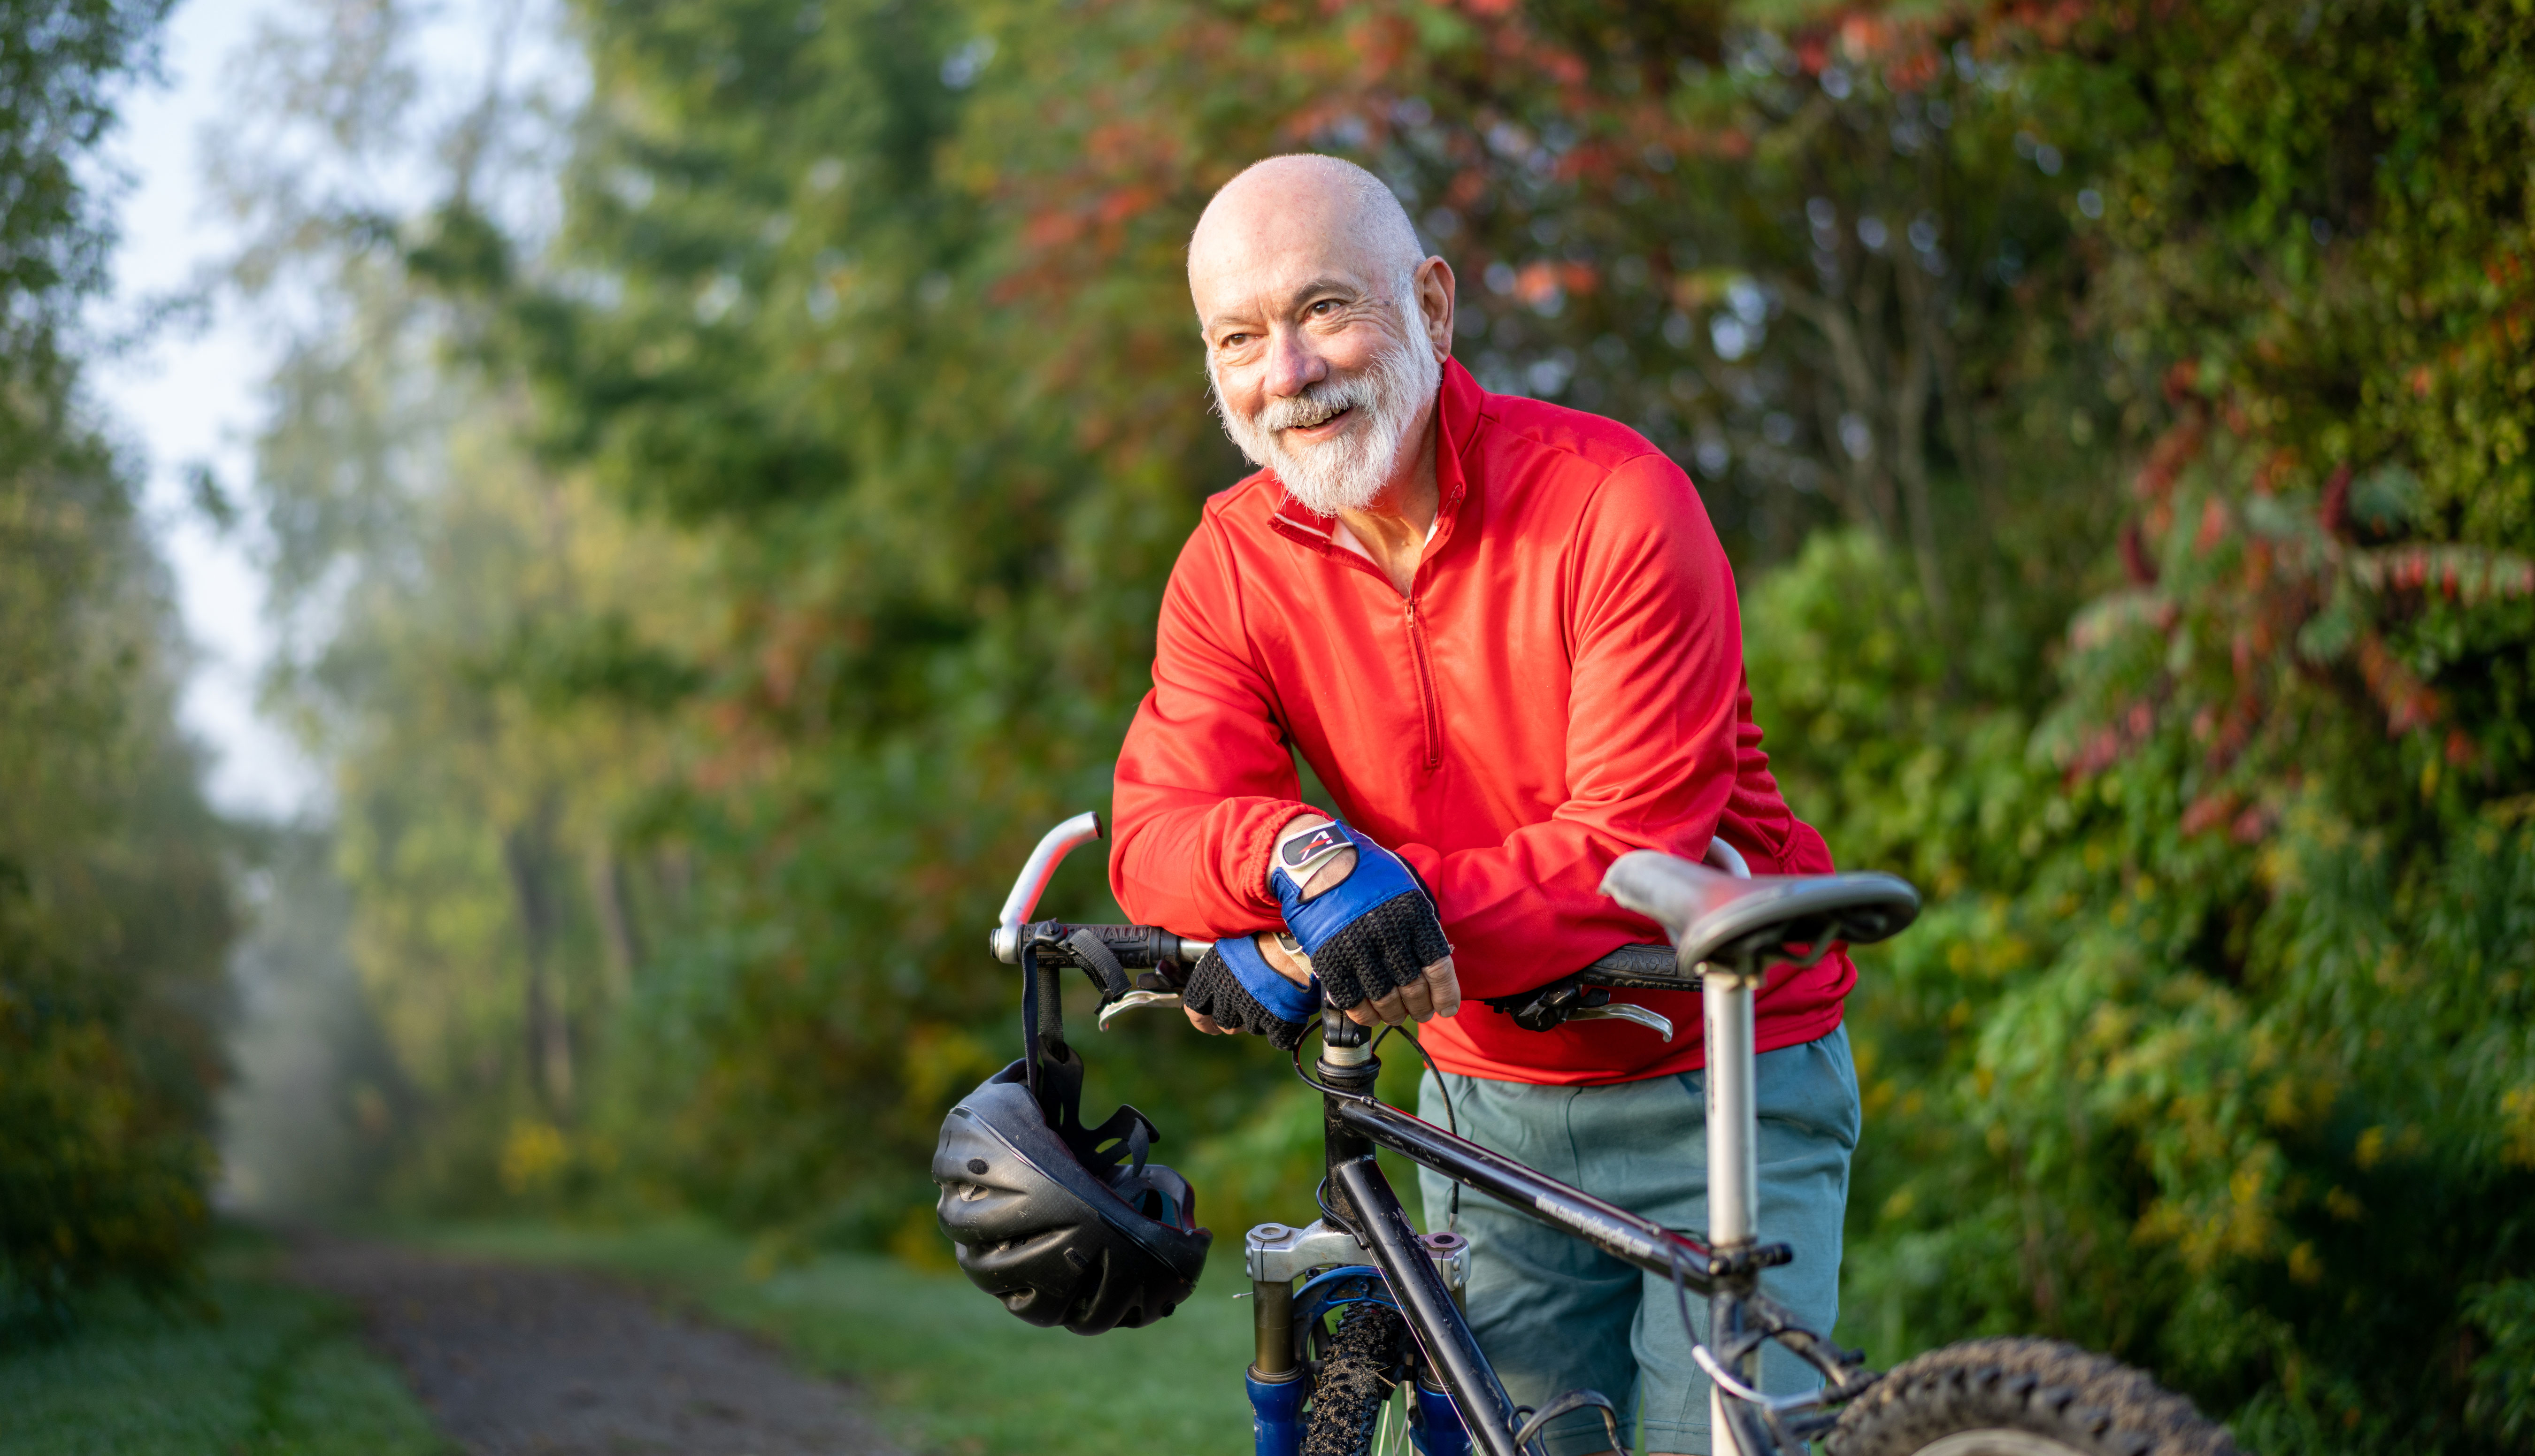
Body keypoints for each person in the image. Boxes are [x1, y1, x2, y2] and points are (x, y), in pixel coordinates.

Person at [1107, 153, 1859, 1456]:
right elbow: (1158, 831)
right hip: (1476, 1107)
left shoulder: (1615, 503)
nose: (1287, 372)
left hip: (1717, 1069)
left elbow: (1629, 851)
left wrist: (1339, 932)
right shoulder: (1232, 559)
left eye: (1325, 309)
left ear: (1435, 310)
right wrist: (1300, 852)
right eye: (1240, 336)